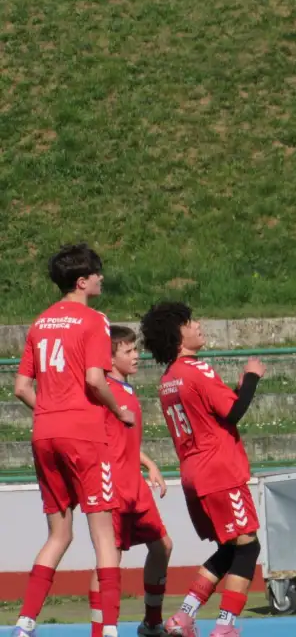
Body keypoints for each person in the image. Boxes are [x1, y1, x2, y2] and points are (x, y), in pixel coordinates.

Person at [12, 244, 133, 637]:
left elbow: (21, 387)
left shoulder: (39, 321)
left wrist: (50, 411)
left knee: (59, 534)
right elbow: (96, 380)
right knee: (103, 534)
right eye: (97, 273)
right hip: (83, 435)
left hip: (44, 433)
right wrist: (119, 412)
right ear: (82, 282)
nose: (101, 278)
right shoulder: (94, 319)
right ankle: (110, 629)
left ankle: (25, 622)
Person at [140, 303, 266, 637]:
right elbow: (234, 413)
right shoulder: (197, 369)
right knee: (248, 546)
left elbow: (211, 415)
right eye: (190, 322)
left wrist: (237, 389)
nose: (198, 325)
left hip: (194, 474)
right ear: (176, 334)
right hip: (220, 471)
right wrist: (252, 376)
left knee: (230, 547)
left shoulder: (168, 380)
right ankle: (225, 625)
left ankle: (184, 615)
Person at [88, 326, 173, 637]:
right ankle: (100, 631)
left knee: (163, 546)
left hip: (134, 482)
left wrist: (149, 463)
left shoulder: (127, 390)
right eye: (128, 351)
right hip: (112, 484)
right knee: (110, 559)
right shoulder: (101, 392)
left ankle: (151, 623)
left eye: (136, 349)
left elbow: (124, 440)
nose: (137, 355)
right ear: (109, 359)